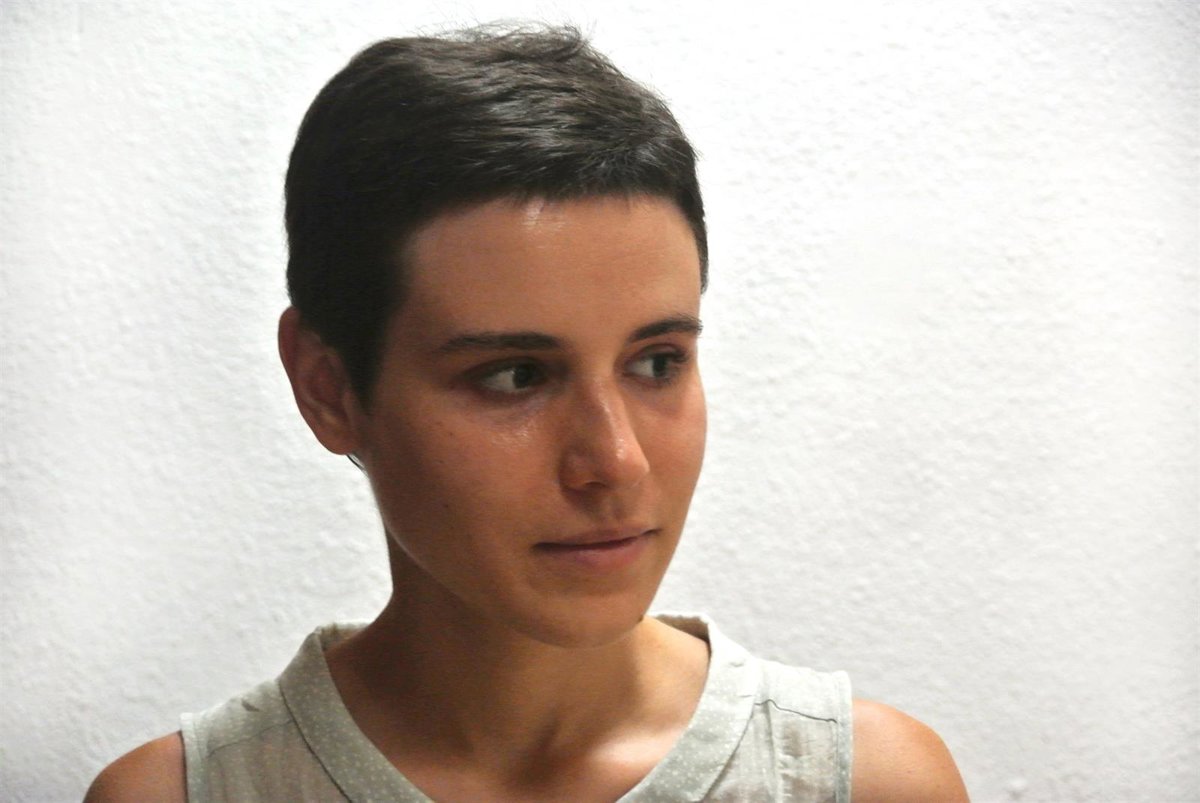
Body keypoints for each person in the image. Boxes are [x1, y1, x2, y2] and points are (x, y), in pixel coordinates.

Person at [86, 25, 968, 802]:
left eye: (657, 362)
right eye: (514, 376)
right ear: (328, 388)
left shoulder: (865, 783)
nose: (615, 461)